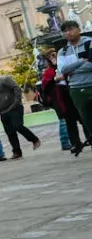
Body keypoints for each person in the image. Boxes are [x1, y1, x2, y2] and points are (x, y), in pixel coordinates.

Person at [0, 67, 41, 159]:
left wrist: (17, 101)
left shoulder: (5, 79)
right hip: (3, 111)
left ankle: (34, 139)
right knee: (10, 132)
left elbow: (17, 89)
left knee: (18, 125)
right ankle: (17, 152)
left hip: (15, 108)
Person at [42, 46, 89, 156]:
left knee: (84, 119)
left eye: (54, 55)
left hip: (73, 95)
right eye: (50, 56)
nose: (53, 57)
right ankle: (75, 143)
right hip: (62, 100)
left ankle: (89, 137)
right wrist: (55, 79)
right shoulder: (49, 72)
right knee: (70, 123)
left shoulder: (66, 66)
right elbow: (46, 87)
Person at [57, 20, 92, 148]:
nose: (68, 32)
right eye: (65, 31)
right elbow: (63, 69)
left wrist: (72, 70)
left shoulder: (89, 42)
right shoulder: (63, 51)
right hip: (76, 90)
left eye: (71, 29)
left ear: (78, 29)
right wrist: (83, 60)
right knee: (87, 120)